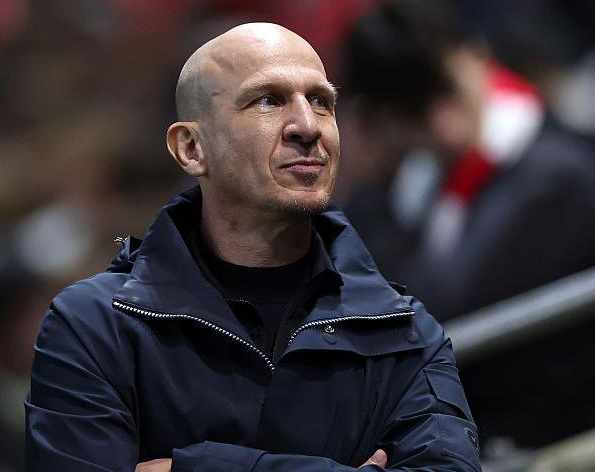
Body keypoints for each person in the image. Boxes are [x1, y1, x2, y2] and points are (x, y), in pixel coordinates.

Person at [25, 23, 481, 471]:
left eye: (321, 102)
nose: (307, 125)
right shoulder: (93, 327)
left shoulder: (403, 331)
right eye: (268, 100)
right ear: (191, 148)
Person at [343, 0, 595, 449]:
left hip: (563, 437)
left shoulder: (563, 177)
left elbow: (434, 312)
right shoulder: (404, 191)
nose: (443, 128)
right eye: (414, 114)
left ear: (476, 53)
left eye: (446, 92)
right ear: (385, 124)